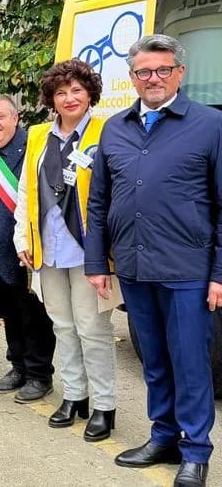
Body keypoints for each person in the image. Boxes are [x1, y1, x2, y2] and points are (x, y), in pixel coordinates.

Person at [85, 34, 221, 487]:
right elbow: (99, 200)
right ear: (132, 77)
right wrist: (96, 263)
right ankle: (163, 436)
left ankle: (196, 452)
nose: (154, 78)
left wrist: (219, 273)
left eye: (163, 70)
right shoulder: (115, 128)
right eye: (144, 71)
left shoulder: (208, 125)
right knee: (155, 361)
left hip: (189, 270)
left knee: (190, 363)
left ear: (180, 73)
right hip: (135, 268)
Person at [13, 58, 117, 439]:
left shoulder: (107, 132)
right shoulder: (39, 135)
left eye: (77, 90)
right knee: (63, 326)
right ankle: (75, 396)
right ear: (51, 99)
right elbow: (26, 189)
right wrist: (22, 238)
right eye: (61, 92)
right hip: (49, 248)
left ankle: (105, 405)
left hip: (90, 251)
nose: (69, 98)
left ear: (89, 93)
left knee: (93, 328)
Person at [0, 95, 56, 397]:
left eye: (0, 117)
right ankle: (18, 365)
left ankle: (39, 374)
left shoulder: (32, 146)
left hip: (22, 249)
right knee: (7, 311)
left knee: (33, 314)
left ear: (15, 118)